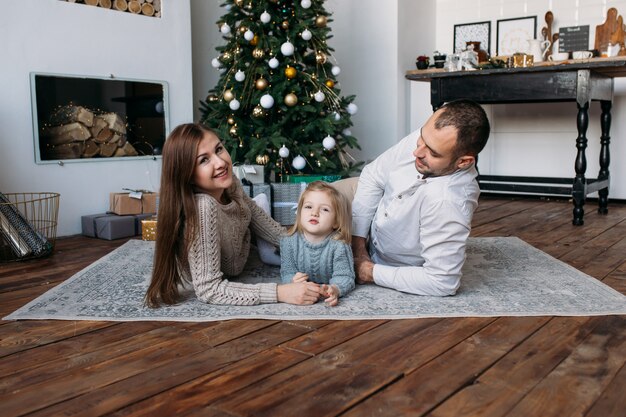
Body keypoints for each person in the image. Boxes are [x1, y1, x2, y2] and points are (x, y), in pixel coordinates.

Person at [145, 123, 322, 307]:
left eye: (219, 149)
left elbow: (252, 212)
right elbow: (209, 290)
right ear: (187, 174)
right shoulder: (203, 208)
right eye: (203, 160)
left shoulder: (228, 181)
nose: (220, 163)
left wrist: (301, 245)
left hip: (242, 251)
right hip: (226, 264)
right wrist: (280, 292)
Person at [350, 99, 490, 296]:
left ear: (463, 161)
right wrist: (358, 246)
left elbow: (442, 282)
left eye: (432, 153)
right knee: (317, 201)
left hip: (392, 262)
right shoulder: (429, 137)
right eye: (421, 138)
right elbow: (373, 175)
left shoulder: (448, 201)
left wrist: (368, 272)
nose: (416, 152)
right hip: (371, 222)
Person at [280, 181, 355, 306]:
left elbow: (345, 276)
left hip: (327, 282)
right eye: (309, 207)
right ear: (300, 213)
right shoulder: (288, 241)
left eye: (325, 209)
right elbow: (287, 272)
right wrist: (292, 280)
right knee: (273, 256)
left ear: (336, 221)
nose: (314, 213)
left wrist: (335, 289)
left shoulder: (339, 245)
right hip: (289, 250)